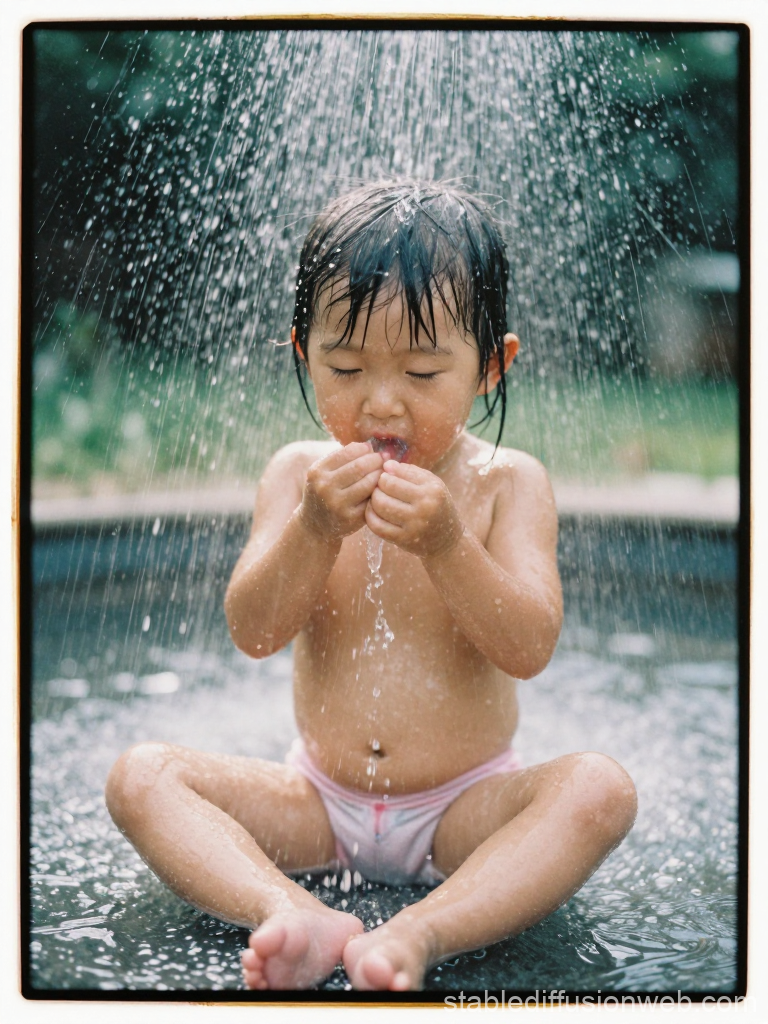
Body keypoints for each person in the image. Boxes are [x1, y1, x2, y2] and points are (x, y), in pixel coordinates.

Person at [105, 180, 637, 992]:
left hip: (464, 809)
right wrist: (313, 530)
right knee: (141, 778)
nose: (380, 403)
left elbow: (529, 646)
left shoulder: (507, 485)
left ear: (492, 366)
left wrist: (449, 543)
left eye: (424, 373)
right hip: (317, 801)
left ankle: (424, 931)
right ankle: (291, 911)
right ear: (301, 354)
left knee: (599, 791)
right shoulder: (297, 476)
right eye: (345, 367)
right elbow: (253, 631)